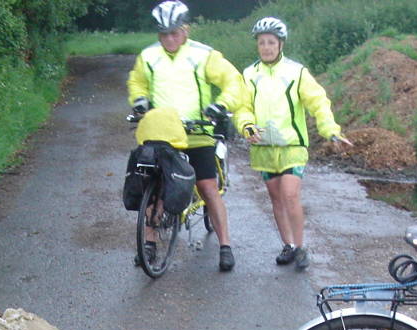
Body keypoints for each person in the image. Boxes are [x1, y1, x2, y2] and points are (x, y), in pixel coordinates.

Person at [127, 0, 245, 272]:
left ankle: (225, 245)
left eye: (174, 33)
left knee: (207, 187)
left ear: (186, 30)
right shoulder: (148, 56)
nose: (169, 39)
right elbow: (137, 82)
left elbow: (233, 81)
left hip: (197, 132)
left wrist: (221, 105)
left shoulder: (203, 55)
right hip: (163, 131)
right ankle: (149, 243)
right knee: (152, 185)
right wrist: (139, 99)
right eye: (164, 34)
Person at [234, 17, 353, 270]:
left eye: (271, 42)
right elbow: (242, 107)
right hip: (264, 148)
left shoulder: (296, 72)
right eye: (262, 42)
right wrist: (246, 126)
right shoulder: (249, 74)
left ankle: (300, 247)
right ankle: (287, 245)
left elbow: (318, 102)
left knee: (290, 195)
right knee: (276, 198)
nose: (266, 47)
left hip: (292, 146)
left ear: (281, 44)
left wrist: (330, 130)